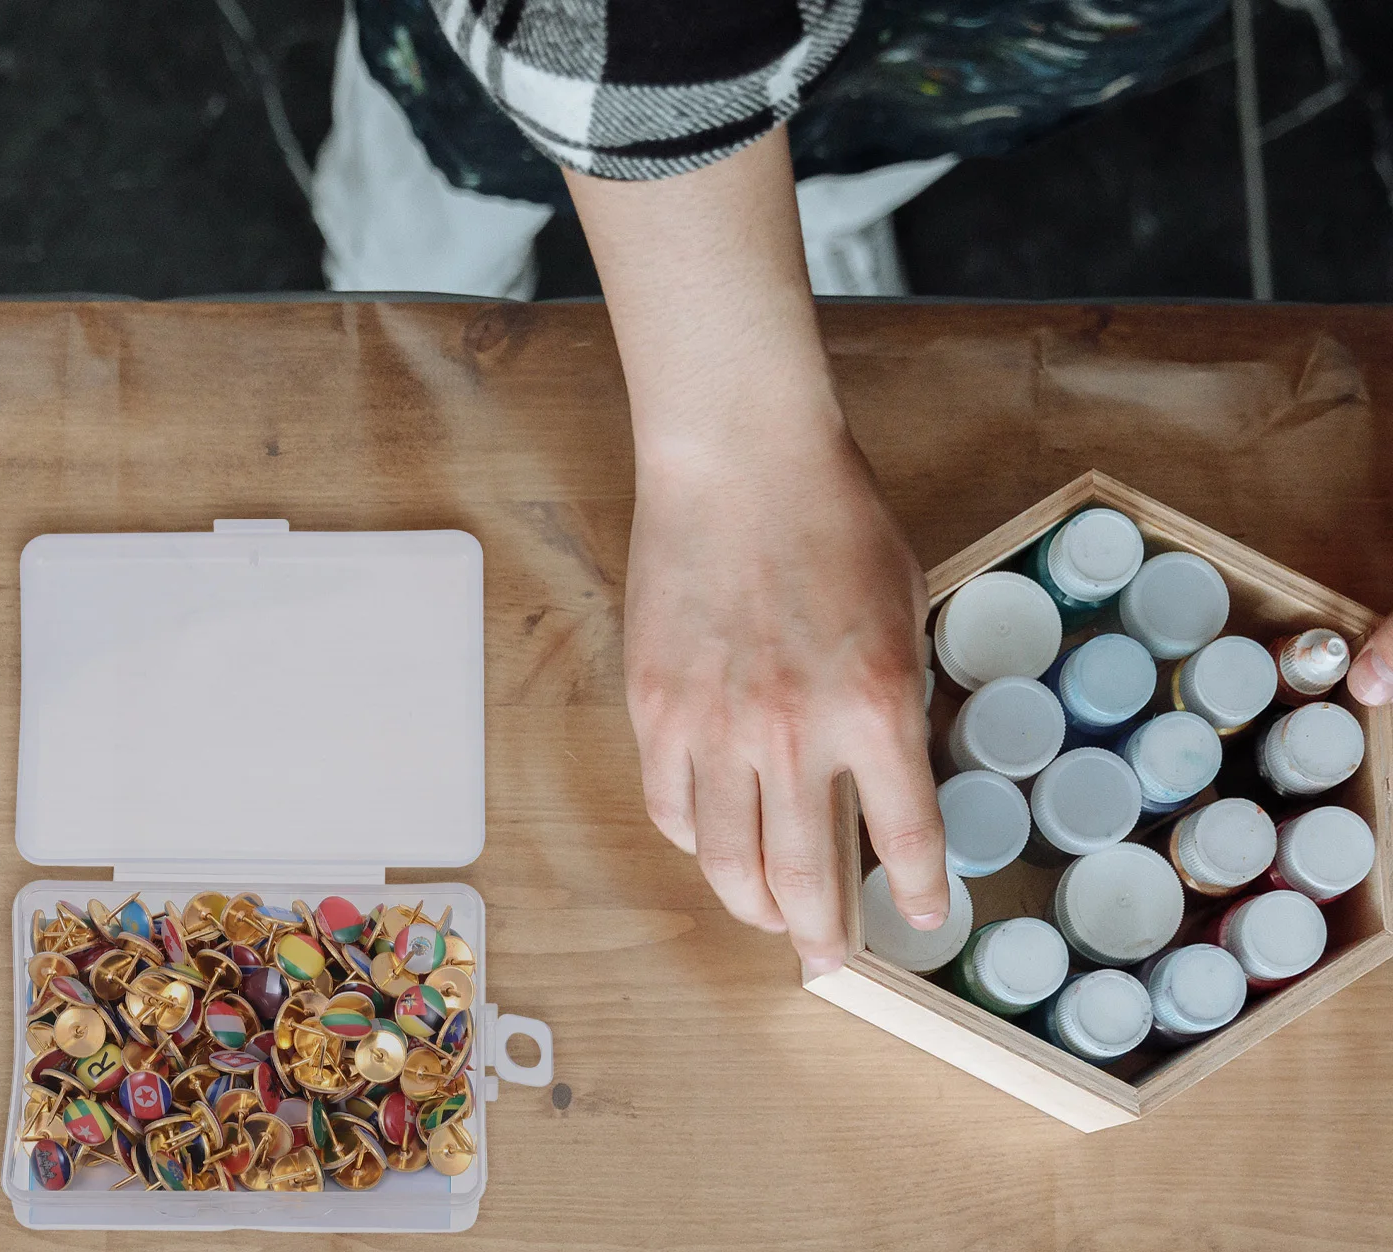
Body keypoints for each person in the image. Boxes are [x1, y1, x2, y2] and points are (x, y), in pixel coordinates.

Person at [316, 0, 1393, 976]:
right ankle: (422, 281)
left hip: (964, 49)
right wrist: (733, 441)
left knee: (870, 136)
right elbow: (598, 36)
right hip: (548, 54)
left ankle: (790, 226)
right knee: (439, 221)